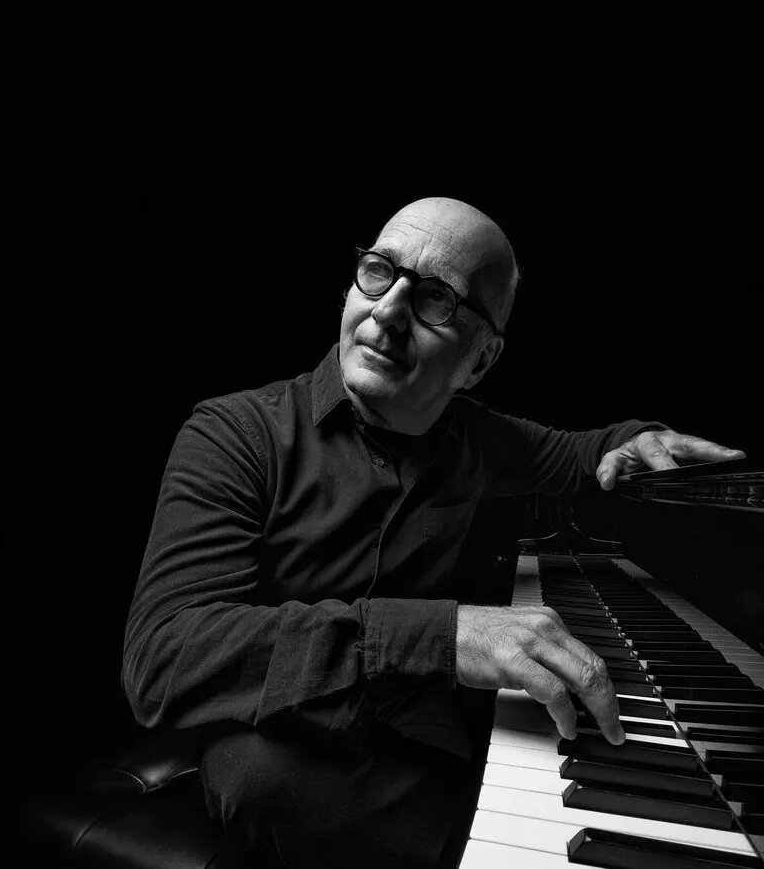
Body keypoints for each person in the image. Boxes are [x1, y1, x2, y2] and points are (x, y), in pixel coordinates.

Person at [121, 197, 746, 868]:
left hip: (417, 734)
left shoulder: (477, 438)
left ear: (478, 361)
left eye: (435, 299)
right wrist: (445, 636)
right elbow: (165, 656)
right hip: (289, 735)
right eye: (378, 272)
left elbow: (579, 452)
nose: (387, 312)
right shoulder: (235, 433)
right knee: (261, 778)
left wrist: (637, 439)